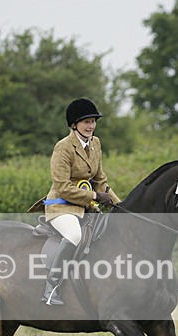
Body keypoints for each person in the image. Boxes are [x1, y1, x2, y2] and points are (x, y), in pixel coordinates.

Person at [41, 98, 121, 305]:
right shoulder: (63, 147)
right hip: (60, 206)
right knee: (75, 234)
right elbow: (62, 186)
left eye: (93, 121)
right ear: (74, 124)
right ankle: (51, 287)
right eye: (86, 122)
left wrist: (121, 206)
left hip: (85, 207)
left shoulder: (95, 144)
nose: (91, 126)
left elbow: (100, 180)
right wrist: (94, 196)